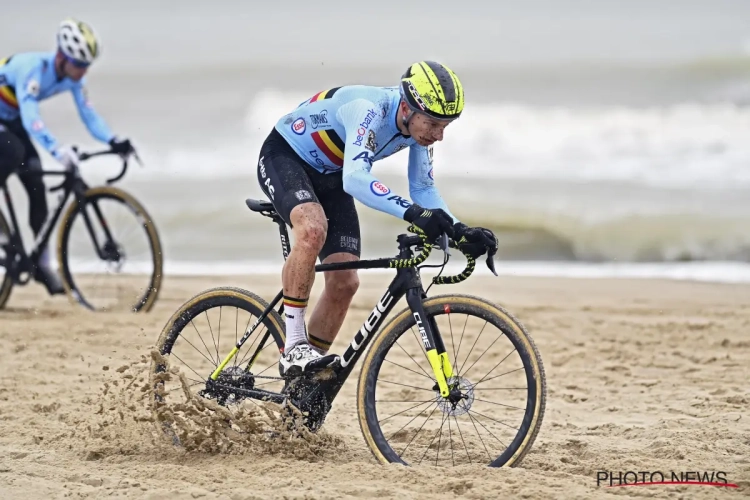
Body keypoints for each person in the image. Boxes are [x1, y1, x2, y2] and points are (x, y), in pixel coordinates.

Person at [256, 60, 498, 379]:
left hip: (331, 173)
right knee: (312, 230)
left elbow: (423, 187)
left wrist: (459, 231)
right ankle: (294, 346)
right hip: (285, 157)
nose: (439, 135)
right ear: (409, 109)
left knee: (345, 284)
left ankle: (304, 384)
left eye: (446, 126)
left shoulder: (417, 131)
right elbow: (356, 179)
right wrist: (413, 214)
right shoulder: (368, 109)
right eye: (434, 124)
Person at [0, 18, 135, 294]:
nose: (83, 71)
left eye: (87, 66)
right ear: (62, 57)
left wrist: (113, 139)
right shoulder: (33, 70)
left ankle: (42, 265)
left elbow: (89, 114)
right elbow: (30, 117)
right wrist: (56, 150)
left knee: (36, 186)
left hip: (9, 118)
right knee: (13, 153)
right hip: (12, 119)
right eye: (79, 65)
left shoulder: (73, 78)